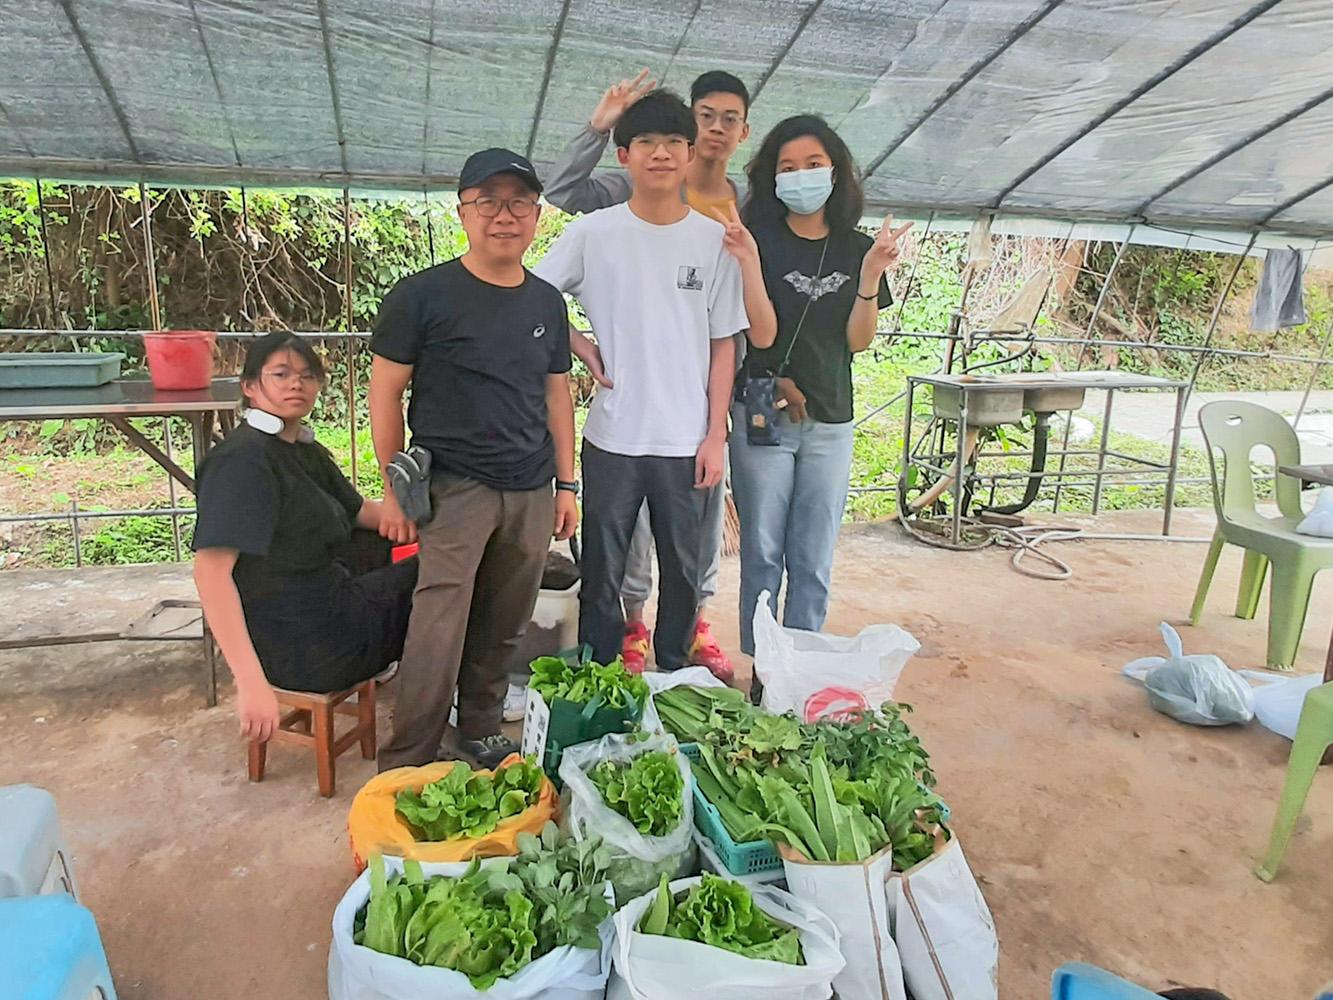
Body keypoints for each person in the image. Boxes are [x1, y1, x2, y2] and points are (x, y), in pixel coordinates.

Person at [544, 69, 761, 678]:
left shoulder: (714, 240)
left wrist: (715, 434)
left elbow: (724, 344)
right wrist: (580, 344)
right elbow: (532, 295)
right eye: (645, 142)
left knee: (684, 573)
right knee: (603, 570)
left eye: (673, 142)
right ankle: (601, 679)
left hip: (687, 441)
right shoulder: (593, 232)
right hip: (612, 436)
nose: (660, 153)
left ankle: (673, 677)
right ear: (625, 156)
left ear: (691, 154)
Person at [369, 148, 578, 770]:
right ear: (463, 212)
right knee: (439, 623)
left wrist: (566, 485)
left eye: (518, 203)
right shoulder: (421, 295)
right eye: (488, 202)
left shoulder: (546, 302)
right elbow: (384, 393)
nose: (503, 216)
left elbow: (557, 395)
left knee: (506, 620)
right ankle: (409, 756)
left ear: (536, 215)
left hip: (530, 487)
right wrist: (395, 492)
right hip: (453, 488)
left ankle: (481, 727)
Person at [725, 115, 912, 697]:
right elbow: (759, 335)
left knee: (812, 555)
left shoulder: (858, 249)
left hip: (831, 419)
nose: (800, 176)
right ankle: (763, 672)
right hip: (763, 410)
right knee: (763, 550)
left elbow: (858, 341)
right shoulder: (757, 240)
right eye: (787, 167)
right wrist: (749, 262)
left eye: (812, 164)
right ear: (770, 177)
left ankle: (799, 671)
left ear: (835, 172)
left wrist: (870, 275)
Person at [192, 333, 418, 744]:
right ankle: (453, 696)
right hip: (307, 648)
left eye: (307, 375)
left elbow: (362, 513)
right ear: (250, 386)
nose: (296, 384)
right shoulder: (240, 463)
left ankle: (406, 660)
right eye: (281, 374)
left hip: (324, 605)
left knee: (410, 549)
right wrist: (250, 683)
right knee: (443, 574)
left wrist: (436, 527)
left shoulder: (302, 448)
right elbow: (210, 574)